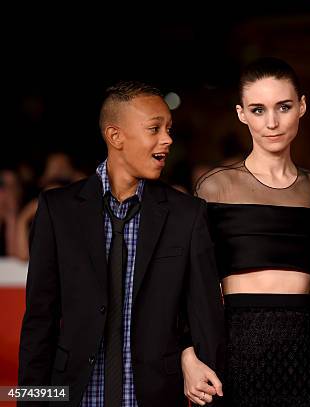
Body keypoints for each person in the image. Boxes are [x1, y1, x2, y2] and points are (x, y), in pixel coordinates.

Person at [18, 81, 224, 406]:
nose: (167, 139)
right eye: (154, 128)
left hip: (156, 397)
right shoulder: (57, 210)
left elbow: (203, 317)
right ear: (115, 136)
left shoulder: (188, 215)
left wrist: (189, 355)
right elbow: (39, 322)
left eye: (169, 128)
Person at [182, 57, 310, 406]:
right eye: (258, 109)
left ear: (302, 106)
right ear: (241, 113)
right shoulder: (215, 188)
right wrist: (187, 355)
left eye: (283, 107)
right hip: (234, 349)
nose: (272, 122)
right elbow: (187, 283)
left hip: (308, 350)